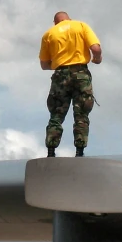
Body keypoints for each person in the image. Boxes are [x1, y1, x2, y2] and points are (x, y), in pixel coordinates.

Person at [39, 11, 102, 157]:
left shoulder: (49, 34)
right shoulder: (80, 26)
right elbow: (96, 49)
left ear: (55, 22)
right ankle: (79, 152)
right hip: (81, 74)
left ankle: (51, 151)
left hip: (60, 76)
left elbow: (44, 64)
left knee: (56, 115)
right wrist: (97, 59)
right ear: (69, 19)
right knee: (81, 114)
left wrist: (59, 64)